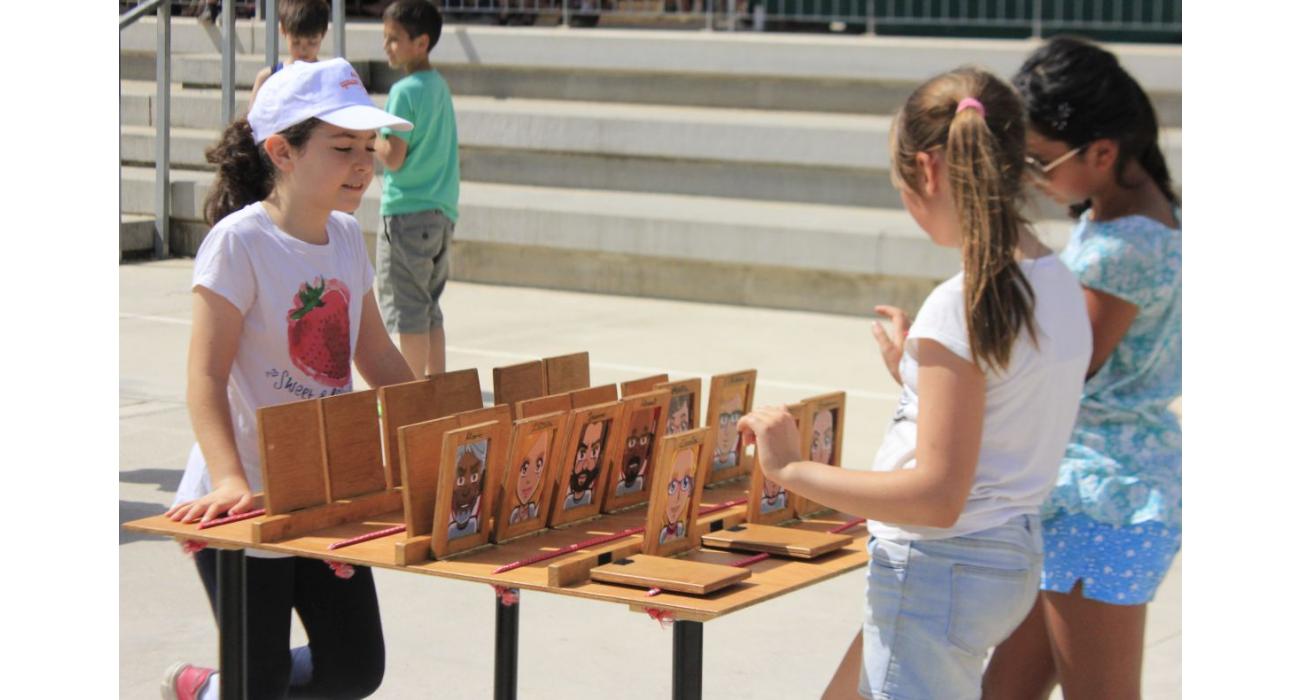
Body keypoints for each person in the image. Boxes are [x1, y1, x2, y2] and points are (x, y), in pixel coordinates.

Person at [738, 67, 1092, 699]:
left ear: (927, 171)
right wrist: (921, 371)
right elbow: (1007, 397)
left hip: (939, 572)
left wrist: (791, 470)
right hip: (998, 559)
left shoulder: (962, 305)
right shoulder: (1057, 282)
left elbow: (936, 497)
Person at [159, 58, 417, 700]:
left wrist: (436, 432)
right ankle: (225, 688)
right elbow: (205, 375)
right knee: (262, 679)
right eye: (341, 147)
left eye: (368, 146)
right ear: (282, 151)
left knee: (356, 668)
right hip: (243, 500)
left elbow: (377, 356)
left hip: (324, 495)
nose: (363, 162)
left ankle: (223, 689)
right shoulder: (238, 244)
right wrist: (228, 478)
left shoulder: (346, 236)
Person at [984, 36, 1182, 700]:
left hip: (1105, 502)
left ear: (1103, 152)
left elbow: (1059, 374)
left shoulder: (1124, 249)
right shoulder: (1126, 219)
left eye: (1039, 160)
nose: (1031, 178)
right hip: (1091, 491)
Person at [373, 0, 460, 378]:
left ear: (420, 43)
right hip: (441, 213)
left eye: (394, 40)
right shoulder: (439, 86)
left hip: (405, 215)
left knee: (407, 311)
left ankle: (408, 399)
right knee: (429, 308)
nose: (387, 47)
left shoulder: (404, 92)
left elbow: (393, 156)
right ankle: (436, 391)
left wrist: (370, 136)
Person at [249, 0, 331, 107]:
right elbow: (252, 120)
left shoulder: (328, 78)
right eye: (296, 42)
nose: (303, 50)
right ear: (283, 30)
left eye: (312, 42)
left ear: (323, 33)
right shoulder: (266, 78)